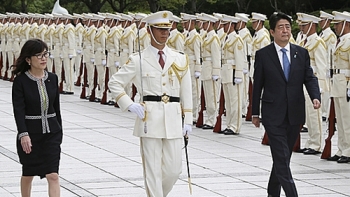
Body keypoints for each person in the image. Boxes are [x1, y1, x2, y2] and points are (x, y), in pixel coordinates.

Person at [108, 11, 192, 197]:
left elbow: (187, 91)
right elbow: (114, 82)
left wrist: (189, 120)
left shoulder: (179, 58)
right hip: (149, 120)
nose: (164, 33)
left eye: (167, 29)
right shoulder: (138, 59)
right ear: (149, 30)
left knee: (173, 170)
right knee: (152, 170)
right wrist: (128, 104)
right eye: (159, 29)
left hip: (173, 118)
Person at [251, 12, 321, 197]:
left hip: (294, 112)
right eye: (280, 27)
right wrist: (255, 113)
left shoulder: (301, 52)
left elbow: (309, 77)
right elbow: (257, 84)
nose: (285, 30)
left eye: (288, 27)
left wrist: (315, 96)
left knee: (284, 157)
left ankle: (272, 192)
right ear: (272, 31)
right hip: (272, 113)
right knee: (281, 157)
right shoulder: (263, 55)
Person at [12, 39, 62, 197]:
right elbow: (18, 111)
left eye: (46, 54)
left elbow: (56, 108)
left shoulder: (52, 78)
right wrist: (23, 134)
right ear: (28, 59)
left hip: (52, 133)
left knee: (53, 175)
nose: (43, 58)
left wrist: (59, 130)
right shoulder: (21, 81)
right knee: (28, 173)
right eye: (39, 55)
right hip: (31, 134)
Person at [327, 11, 350, 163]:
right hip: (337, 82)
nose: (335, 27)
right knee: (340, 120)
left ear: (346, 24)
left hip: (346, 82)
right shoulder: (340, 40)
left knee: (347, 119)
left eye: (338, 24)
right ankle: (341, 148)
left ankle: (348, 151)